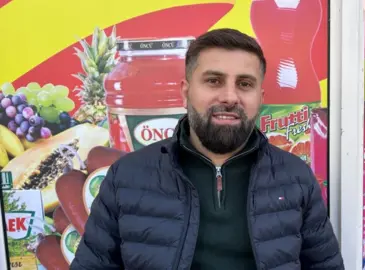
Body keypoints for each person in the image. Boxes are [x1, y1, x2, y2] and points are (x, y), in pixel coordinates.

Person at [70, 28, 344, 270]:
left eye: (244, 84)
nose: (229, 96)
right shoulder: (126, 177)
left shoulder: (295, 177)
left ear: (260, 98)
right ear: (185, 91)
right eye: (213, 81)